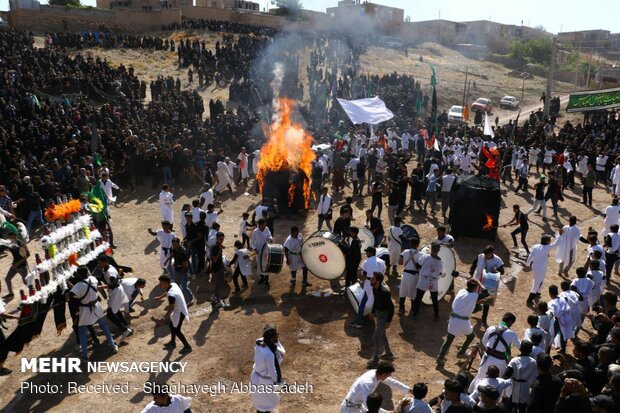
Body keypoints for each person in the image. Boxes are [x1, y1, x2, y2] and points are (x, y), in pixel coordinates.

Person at [69, 266, 118, 361]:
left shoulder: (77, 287)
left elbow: (72, 296)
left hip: (85, 310)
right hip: (96, 307)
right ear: (87, 273)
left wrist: (68, 296)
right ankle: (112, 344)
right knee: (103, 325)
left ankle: (84, 355)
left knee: (82, 332)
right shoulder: (93, 279)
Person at [436, 278, 486, 367]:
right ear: (475, 288)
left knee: (449, 338)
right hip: (463, 321)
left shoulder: (461, 291)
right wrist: (479, 282)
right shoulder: (474, 296)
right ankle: (462, 352)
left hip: (453, 318)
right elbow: (486, 293)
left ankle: (440, 357)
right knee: (471, 336)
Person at [469, 312, 521, 393]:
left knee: (480, 376)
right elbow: (520, 346)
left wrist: (492, 349)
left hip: (487, 358)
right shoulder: (511, 333)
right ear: (510, 322)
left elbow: (484, 341)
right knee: (496, 382)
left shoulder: (491, 328)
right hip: (499, 361)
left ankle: (471, 393)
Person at [340, 362, 413, 413]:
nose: (389, 376)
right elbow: (370, 405)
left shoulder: (375, 373)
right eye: (389, 374)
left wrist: (409, 390)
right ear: (384, 374)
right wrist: (385, 412)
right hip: (350, 409)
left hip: (358, 406)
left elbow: (392, 382)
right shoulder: (368, 383)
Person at [96, 255, 132, 340]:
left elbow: (114, 283)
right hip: (114, 292)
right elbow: (102, 277)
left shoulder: (110, 271)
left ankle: (125, 330)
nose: (99, 265)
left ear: (105, 262)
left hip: (116, 291)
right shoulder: (105, 268)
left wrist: (101, 287)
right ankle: (125, 324)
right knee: (115, 310)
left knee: (110, 314)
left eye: (100, 263)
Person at [250, 325, 285, 413]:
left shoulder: (260, 342)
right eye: (276, 335)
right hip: (264, 381)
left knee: (259, 400)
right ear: (272, 338)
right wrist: (278, 382)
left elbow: (258, 340)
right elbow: (272, 371)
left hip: (255, 376)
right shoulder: (269, 354)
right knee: (269, 402)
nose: (278, 336)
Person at [155, 275, 192, 354]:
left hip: (180, 312)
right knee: (172, 326)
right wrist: (159, 297)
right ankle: (172, 343)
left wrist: (164, 318)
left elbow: (171, 308)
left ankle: (187, 346)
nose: (159, 285)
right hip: (178, 310)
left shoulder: (171, 295)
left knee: (177, 330)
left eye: (161, 283)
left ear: (166, 283)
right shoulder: (173, 285)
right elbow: (167, 292)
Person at [351, 246, 386, 329]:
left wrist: (363, 277)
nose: (366, 253)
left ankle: (359, 322)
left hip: (370, 284)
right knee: (378, 301)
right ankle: (381, 322)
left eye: (367, 252)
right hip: (379, 284)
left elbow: (363, 274)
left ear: (371, 253)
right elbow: (383, 272)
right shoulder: (381, 261)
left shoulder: (367, 262)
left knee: (363, 301)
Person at [470, 245, 505, 326]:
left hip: (489, 283)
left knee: (487, 301)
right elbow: (474, 264)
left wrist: (497, 270)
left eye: (487, 255)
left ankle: (484, 319)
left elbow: (502, 271)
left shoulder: (497, 260)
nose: (486, 257)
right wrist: (471, 272)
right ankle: (477, 306)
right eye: (485, 255)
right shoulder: (481, 256)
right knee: (475, 295)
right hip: (478, 280)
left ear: (492, 253)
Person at [502, 340, 537, 413]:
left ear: (520, 349)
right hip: (525, 387)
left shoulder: (514, 360)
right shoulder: (533, 362)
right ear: (530, 350)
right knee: (523, 408)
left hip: (514, 386)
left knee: (509, 406)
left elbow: (505, 375)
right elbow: (535, 376)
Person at [412, 242, 444, 321]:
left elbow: (418, 265)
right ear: (438, 250)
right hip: (434, 281)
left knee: (418, 298)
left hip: (424, 280)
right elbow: (442, 273)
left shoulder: (425, 256)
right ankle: (436, 316)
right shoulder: (441, 261)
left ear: (431, 248)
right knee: (434, 299)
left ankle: (415, 314)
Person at [368, 272, 395, 366]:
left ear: (378, 281)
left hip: (384, 316)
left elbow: (391, 307)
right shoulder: (374, 288)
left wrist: (388, 321)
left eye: (373, 278)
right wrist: (372, 311)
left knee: (376, 337)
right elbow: (375, 300)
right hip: (379, 315)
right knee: (382, 335)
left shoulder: (384, 291)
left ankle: (375, 358)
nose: (371, 279)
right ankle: (388, 354)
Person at [524, 234, 559, 304]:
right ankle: (529, 299)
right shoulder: (547, 247)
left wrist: (527, 264)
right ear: (546, 241)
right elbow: (556, 244)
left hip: (535, 267)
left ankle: (538, 293)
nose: (550, 241)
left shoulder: (536, 246)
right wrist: (560, 235)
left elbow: (530, 256)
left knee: (540, 281)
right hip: (541, 269)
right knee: (536, 284)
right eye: (549, 240)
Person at [165, 237, 194, 305]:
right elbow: (173, 253)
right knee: (177, 285)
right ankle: (179, 297)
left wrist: (179, 275)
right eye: (173, 244)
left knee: (184, 287)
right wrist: (168, 259)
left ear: (178, 244)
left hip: (183, 272)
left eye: (175, 244)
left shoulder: (183, 253)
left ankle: (190, 298)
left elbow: (185, 266)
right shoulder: (175, 248)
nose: (173, 245)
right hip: (176, 269)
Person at [398, 237, 421, 316]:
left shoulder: (405, 251)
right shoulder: (421, 254)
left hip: (405, 275)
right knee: (414, 293)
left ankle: (401, 309)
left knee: (402, 291)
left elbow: (400, 262)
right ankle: (412, 310)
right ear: (418, 244)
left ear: (410, 243)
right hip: (415, 276)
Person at [2, 232, 29, 298]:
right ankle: (11, 294)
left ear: (15, 237)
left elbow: (28, 255)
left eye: (11, 238)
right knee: (7, 279)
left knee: (26, 282)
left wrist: (17, 264)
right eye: (9, 238)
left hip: (22, 266)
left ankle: (34, 293)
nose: (10, 239)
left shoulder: (21, 244)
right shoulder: (11, 244)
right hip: (15, 266)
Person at [252, 219, 273, 288]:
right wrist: (255, 249)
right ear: (260, 225)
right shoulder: (255, 232)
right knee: (259, 265)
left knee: (266, 264)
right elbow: (252, 242)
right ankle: (262, 277)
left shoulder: (267, 229)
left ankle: (266, 281)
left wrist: (270, 238)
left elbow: (270, 236)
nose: (265, 225)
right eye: (264, 224)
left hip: (266, 250)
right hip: (258, 251)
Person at [209, 231, 227, 309]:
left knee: (221, 282)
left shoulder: (219, 245)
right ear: (216, 239)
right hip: (215, 269)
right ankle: (218, 301)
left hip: (220, 267)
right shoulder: (214, 247)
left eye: (222, 239)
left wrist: (223, 266)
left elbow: (219, 259)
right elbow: (215, 259)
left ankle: (214, 296)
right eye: (220, 239)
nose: (221, 240)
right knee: (217, 285)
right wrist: (220, 250)